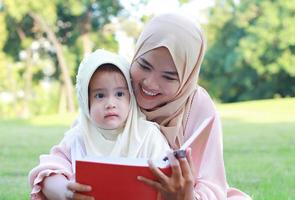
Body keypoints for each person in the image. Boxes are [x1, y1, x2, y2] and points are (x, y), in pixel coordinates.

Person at [130, 13, 252, 200]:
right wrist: (67, 184)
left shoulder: (198, 104)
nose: (150, 84)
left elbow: (211, 181)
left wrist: (186, 196)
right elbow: (74, 145)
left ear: (187, 78)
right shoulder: (116, 86)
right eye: (144, 66)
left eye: (169, 77)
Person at [28, 49, 170, 200]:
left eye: (119, 94)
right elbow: (48, 173)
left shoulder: (148, 135)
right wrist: (66, 192)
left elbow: (167, 176)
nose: (110, 104)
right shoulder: (78, 136)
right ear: (86, 101)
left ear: (131, 96)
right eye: (100, 95)